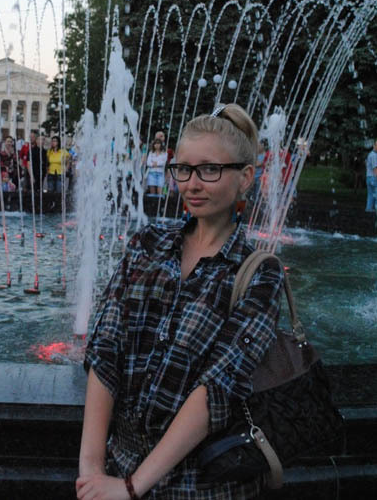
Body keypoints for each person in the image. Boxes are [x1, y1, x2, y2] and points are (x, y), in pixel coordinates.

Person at [77, 104, 284, 500]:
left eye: (209, 170)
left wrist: (133, 488)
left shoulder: (259, 272)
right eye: (183, 169)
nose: (192, 183)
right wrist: (91, 469)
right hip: (117, 466)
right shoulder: (148, 243)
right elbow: (105, 345)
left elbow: (218, 386)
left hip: (200, 486)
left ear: (244, 178)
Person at [365, 139, 377, 212]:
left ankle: (368, 208)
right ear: (374, 146)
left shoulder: (370, 154)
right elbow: (375, 169)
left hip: (368, 177)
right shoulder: (374, 156)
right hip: (373, 177)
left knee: (370, 194)